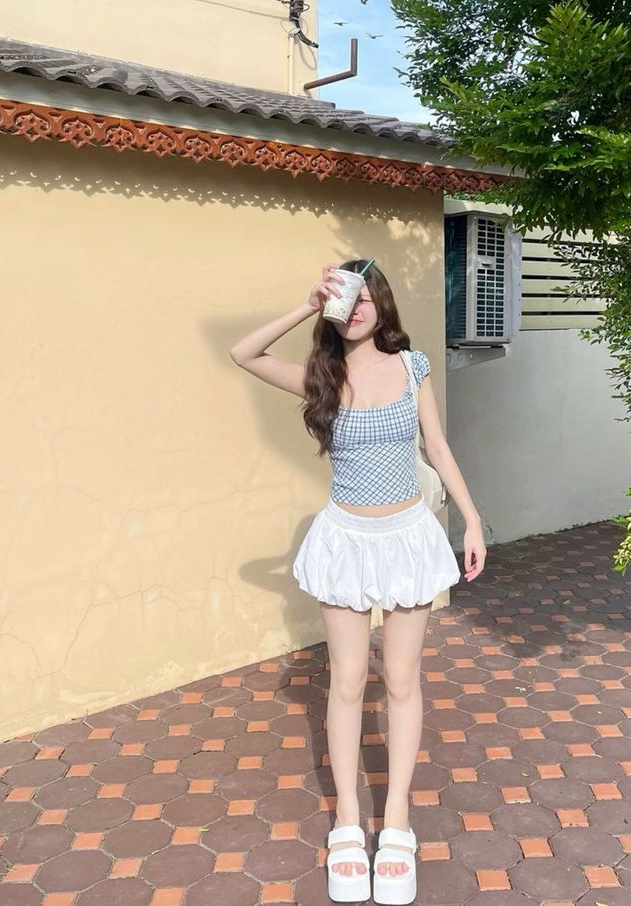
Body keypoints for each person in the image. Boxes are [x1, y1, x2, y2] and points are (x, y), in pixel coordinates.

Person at [230, 260, 486, 904]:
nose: (357, 307)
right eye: (346, 297)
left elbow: (437, 448)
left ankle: (396, 819)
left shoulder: (413, 367)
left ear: (383, 305)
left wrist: (473, 520)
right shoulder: (321, 376)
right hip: (345, 540)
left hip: (407, 538)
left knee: (400, 680)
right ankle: (348, 818)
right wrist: (307, 303)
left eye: (366, 295)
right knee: (346, 682)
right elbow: (244, 353)